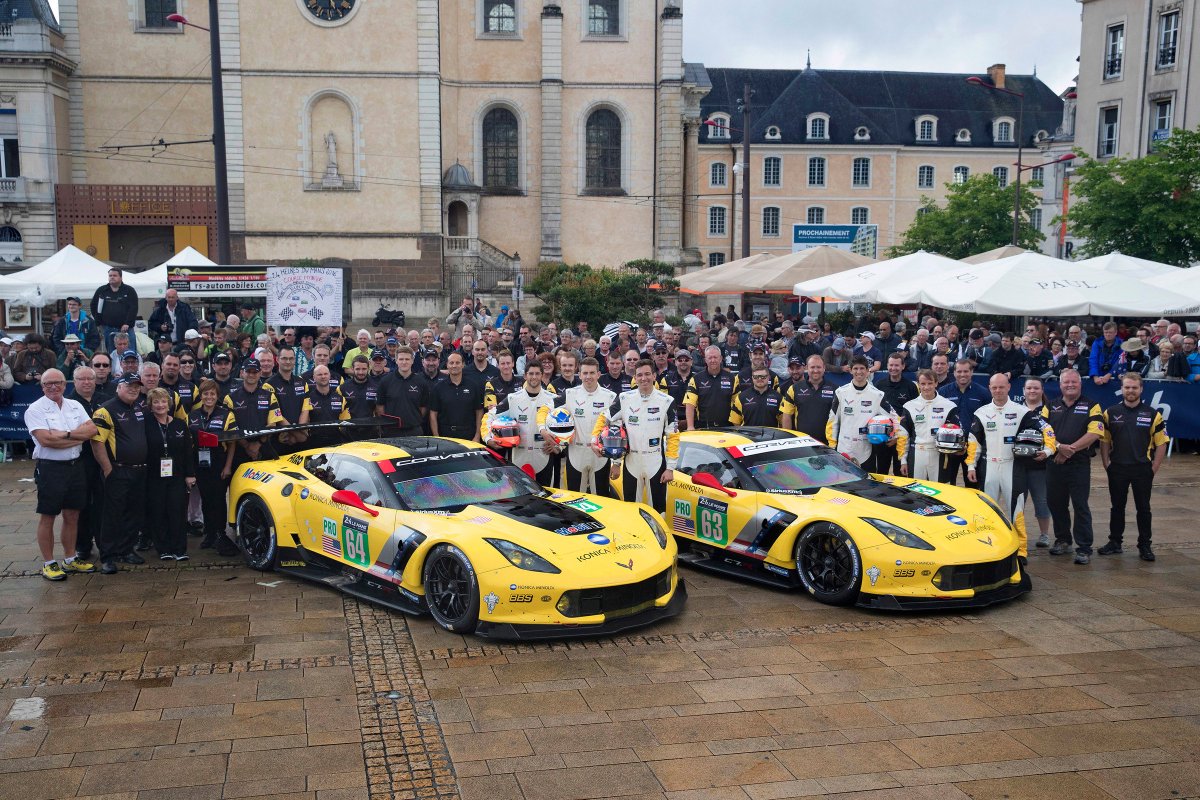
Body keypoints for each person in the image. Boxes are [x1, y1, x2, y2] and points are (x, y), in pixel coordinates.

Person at [966, 373, 1057, 565]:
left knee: (1016, 509)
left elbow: (1047, 429)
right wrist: (971, 465)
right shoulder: (981, 412)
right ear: (989, 388)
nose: (998, 391)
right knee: (986, 510)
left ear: (1009, 387)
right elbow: (973, 441)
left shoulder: (1022, 411)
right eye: (994, 387)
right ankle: (987, 546)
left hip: (1012, 467)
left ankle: (1020, 550)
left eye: (1001, 387)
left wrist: (1048, 451)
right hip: (988, 466)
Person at [24, 369, 99, 580]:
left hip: (76, 466)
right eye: (48, 384)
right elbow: (46, 440)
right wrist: (77, 436)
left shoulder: (75, 405)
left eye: (57, 382)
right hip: (51, 468)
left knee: (72, 514)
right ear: (42, 386)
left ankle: (70, 558)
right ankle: (48, 563)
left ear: (65, 385)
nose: (53, 386)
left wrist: (64, 435)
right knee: (48, 516)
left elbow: (92, 431)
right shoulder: (35, 409)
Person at [593, 358, 679, 513]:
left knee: (659, 511)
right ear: (635, 377)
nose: (643, 378)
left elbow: (673, 436)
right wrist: (596, 442)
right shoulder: (624, 398)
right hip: (632, 462)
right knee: (631, 511)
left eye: (647, 374)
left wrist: (671, 468)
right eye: (639, 375)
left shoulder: (667, 401)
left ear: (654, 376)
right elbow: (604, 418)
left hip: (656, 462)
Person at [1099, 373, 1169, 561]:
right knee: (1117, 507)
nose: (1130, 391)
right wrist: (1106, 463)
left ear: (1141, 389)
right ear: (1121, 389)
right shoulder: (1110, 412)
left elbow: (1162, 443)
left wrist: (1153, 468)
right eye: (1127, 387)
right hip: (1118, 468)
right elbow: (1104, 440)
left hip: (1142, 469)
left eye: (1134, 388)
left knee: (1144, 509)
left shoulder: (1153, 414)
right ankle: (1115, 542)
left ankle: (1145, 545)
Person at [91, 373, 150, 574]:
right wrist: (108, 469)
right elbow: (97, 442)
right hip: (118, 471)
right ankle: (107, 556)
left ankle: (126, 550)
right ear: (118, 387)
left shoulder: (141, 407)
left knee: (134, 514)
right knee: (112, 515)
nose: (133, 389)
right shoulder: (105, 410)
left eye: (137, 386)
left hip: (140, 471)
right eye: (129, 386)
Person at [1044, 369, 1103, 565]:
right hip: (1055, 463)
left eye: (1074, 382)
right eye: (1066, 382)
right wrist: (1060, 448)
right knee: (1056, 504)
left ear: (1080, 384)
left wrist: (1071, 449)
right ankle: (1062, 540)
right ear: (1060, 385)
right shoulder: (1050, 406)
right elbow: (1043, 432)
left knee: (1080, 505)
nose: (1070, 385)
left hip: (1079, 464)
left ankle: (1084, 548)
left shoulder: (1092, 405)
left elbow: (1095, 433)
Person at [481, 361, 561, 485]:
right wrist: (487, 438)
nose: (534, 377)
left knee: (546, 497)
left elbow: (567, 424)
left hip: (544, 454)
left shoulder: (553, 399)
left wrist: (558, 445)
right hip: (518, 455)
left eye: (537, 374)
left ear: (542, 375)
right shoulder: (513, 398)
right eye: (531, 374)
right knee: (520, 497)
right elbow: (489, 416)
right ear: (525, 376)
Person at [827, 356, 904, 473]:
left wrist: (895, 436)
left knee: (868, 488)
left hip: (866, 451)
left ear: (868, 370)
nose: (859, 372)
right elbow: (833, 421)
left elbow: (895, 418)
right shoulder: (840, 392)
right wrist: (832, 447)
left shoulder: (878, 395)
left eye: (862, 368)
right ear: (850, 370)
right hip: (843, 448)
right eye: (855, 368)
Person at [143, 387, 195, 561]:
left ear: (169, 404)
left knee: (177, 511)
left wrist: (190, 474)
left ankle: (179, 549)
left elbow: (188, 451)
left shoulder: (180, 424)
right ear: (150, 405)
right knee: (158, 512)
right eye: (156, 402)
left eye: (163, 401)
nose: (160, 405)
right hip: (154, 476)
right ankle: (163, 548)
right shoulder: (146, 424)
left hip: (177, 475)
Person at [189, 378, 238, 553]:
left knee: (218, 499)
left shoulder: (226, 414)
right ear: (201, 396)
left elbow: (233, 443)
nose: (209, 397)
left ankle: (220, 533)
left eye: (212, 393)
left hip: (219, 460)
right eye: (205, 394)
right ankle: (209, 534)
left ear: (217, 395)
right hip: (200, 461)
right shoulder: (193, 415)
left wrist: (228, 466)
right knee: (206, 499)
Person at [561, 357, 616, 495]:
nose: (588, 376)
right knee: (575, 497)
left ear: (598, 374)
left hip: (600, 454)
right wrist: (549, 435)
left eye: (592, 373)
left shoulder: (610, 397)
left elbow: (617, 428)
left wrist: (616, 462)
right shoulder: (569, 394)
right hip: (576, 452)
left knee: (601, 498)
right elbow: (548, 411)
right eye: (585, 373)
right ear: (579, 374)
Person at [898, 369, 959, 481]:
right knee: (916, 491)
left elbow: (956, 433)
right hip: (917, 453)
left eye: (930, 383)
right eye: (923, 384)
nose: (926, 387)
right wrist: (903, 460)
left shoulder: (949, 406)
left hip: (939, 454)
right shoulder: (909, 406)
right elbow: (903, 435)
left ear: (936, 383)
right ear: (918, 384)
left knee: (940, 491)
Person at [938, 358, 990, 488]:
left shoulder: (983, 393)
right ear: (954, 372)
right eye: (959, 371)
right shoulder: (943, 392)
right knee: (947, 486)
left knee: (973, 485)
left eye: (966, 371)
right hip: (949, 446)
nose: (962, 374)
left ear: (971, 372)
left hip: (973, 446)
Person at [1017, 376, 1052, 549]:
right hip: (1018, 464)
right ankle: (1017, 533)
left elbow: (1054, 435)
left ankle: (1044, 535)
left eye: (1036, 388)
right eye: (1029, 388)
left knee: (1042, 501)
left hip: (1040, 464)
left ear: (1042, 390)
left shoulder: (1050, 409)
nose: (1032, 391)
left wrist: (1047, 452)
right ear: (1023, 390)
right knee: (1017, 501)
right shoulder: (1015, 409)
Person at [874, 352, 918, 475]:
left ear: (903, 366)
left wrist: (898, 436)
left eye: (897, 365)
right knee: (881, 472)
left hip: (902, 438)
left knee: (901, 474)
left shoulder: (911, 386)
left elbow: (913, 414)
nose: (893, 368)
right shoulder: (879, 385)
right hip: (884, 438)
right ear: (887, 366)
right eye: (891, 365)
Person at [780, 355, 836, 443]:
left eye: (819, 367)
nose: (816, 370)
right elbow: (787, 415)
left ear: (824, 368)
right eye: (812, 367)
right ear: (806, 368)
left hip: (827, 443)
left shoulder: (835, 389)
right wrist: (788, 440)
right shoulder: (794, 389)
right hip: (802, 443)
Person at [375, 346, 427, 435]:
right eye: (401, 359)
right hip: (391, 431)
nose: (404, 362)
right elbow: (380, 407)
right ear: (396, 360)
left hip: (414, 430)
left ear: (412, 360)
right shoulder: (385, 381)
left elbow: (423, 408)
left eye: (407, 359)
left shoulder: (421, 382)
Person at [684, 346, 735, 430]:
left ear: (721, 358)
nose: (713, 360)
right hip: (704, 427)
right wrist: (690, 426)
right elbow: (690, 405)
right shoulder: (696, 379)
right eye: (710, 358)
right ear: (705, 360)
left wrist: (738, 427)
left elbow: (737, 405)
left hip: (728, 427)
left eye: (715, 357)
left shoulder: (731, 378)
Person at [90, 267, 139, 352]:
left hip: (126, 329)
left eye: (114, 275)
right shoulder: (102, 290)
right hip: (108, 328)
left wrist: (128, 323)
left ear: (120, 277)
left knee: (130, 352)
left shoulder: (129, 290)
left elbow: (133, 308)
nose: (112, 277)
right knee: (111, 353)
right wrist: (99, 322)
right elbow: (93, 305)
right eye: (110, 275)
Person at [341, 355, 381, 419]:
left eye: (364, 369)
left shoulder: (377, 386)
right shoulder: (343, 387)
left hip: (371, 426)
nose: (361, 372)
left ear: (368, 368)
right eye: (357, 369)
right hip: (350, 427)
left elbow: (379, 411)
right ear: (352, 368)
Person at [1089, 321, 1123, 385]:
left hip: (1115, 378)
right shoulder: (1096, 343)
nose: (1107, 334)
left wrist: (1110, 374)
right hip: (1098, 378)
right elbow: (1093, 360)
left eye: (1110, 332)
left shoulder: (1122, 344)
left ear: (1115, 332)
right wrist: (1095, 375)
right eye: (1106, 332)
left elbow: (1120, 361)